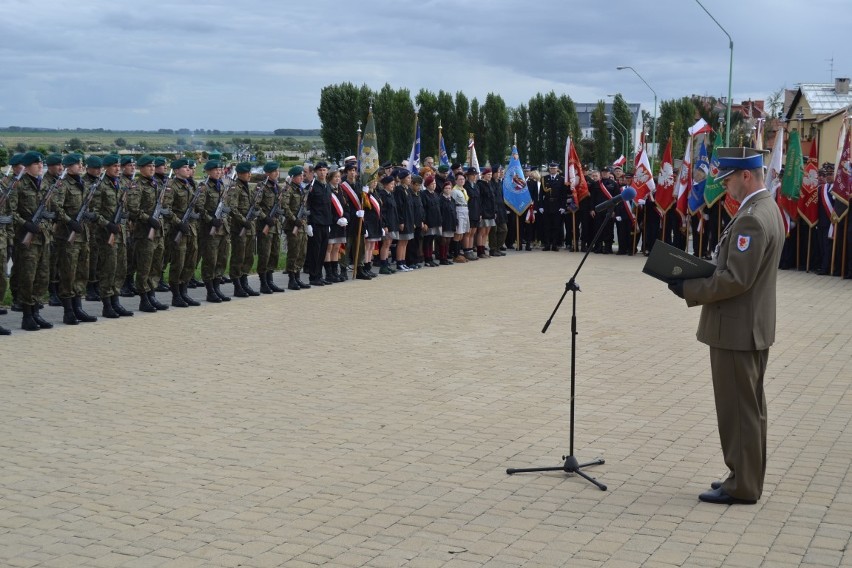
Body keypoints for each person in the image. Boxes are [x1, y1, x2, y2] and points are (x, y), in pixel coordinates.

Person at [667, 147, 784, 505]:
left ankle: (743, 485)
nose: (726, 186)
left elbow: (736, 279)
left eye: (729, 179)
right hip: (749, 326)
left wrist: (689, 287)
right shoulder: (765, 208)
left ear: (746, 176)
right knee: (749, 408)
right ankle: (743, 475)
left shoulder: (752, 217)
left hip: (737, 328)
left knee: (738, 410)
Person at [94, 154, 134, 318]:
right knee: (108, 270)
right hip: (107, 235)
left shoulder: (122, 184)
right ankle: (107, 304)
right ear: (106, 168)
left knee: (120, 269)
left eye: (119, 166)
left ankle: (116, 301)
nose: (118, 169)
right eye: (114, 166)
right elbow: (94, 212)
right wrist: (107, 224)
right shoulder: (100, 186)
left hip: (121, 233)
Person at [228, 162, 261, 296]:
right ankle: (237, 286)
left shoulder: (247, 187)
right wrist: (243, 221)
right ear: (240, 174)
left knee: (248, 257)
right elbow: (233, 208)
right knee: (238, 257)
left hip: (250, 228)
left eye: (250, 172)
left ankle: (244, 282)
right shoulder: (235, 188)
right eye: (247, 173)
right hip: (239, 229)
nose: (250, 175)